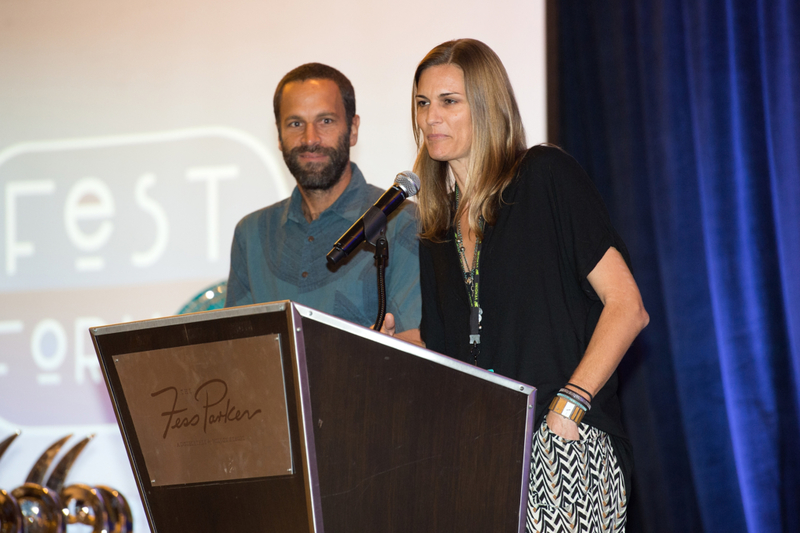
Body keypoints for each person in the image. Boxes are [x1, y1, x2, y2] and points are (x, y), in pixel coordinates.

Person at [407, 39, 649, 532]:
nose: (431, 117)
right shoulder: (436, 230)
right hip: (480, 452)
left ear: (487, 107)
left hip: (563, 441)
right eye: (422, 102)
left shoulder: (543, 177)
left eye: (449, 102)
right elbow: (446, 346)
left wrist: (570, 403)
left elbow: (626, 305)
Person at [225, 63, 421, 334]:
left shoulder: (404, 222)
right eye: (295, 123)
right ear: (279, 136)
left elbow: (413, 349)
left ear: (353, 130)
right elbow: (240, 352)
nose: (310, 139)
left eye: (325, 121)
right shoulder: (252, 234)